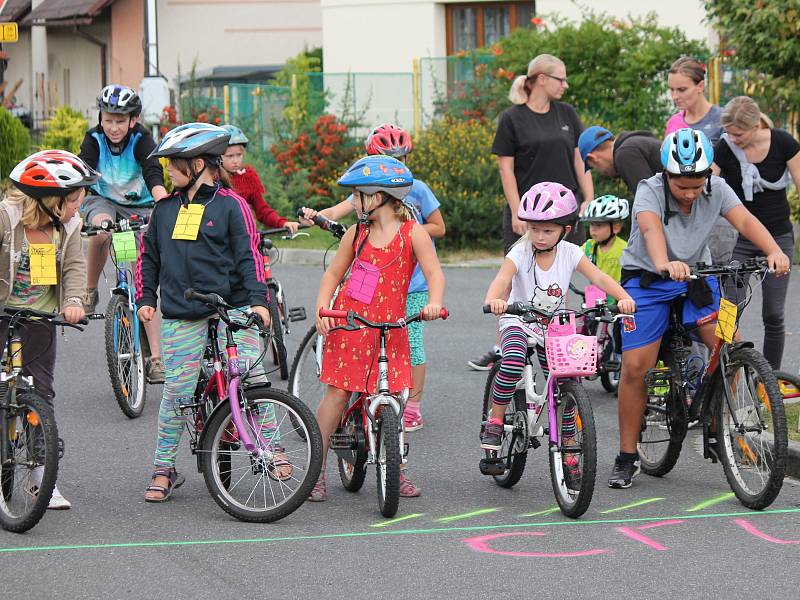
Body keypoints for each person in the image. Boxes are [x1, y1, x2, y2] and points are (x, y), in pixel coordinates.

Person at [610, 128, 790, 489]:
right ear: (667, 175)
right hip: (647, 281)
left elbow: (745, 220)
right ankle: (627, 456)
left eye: (697, 184)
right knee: (635, 367)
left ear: (708, 175)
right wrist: (664, 262)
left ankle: (719, 420)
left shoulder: (718, 189)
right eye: (682, 186)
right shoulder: (649, 189)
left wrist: (773, 250)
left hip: (699, 278)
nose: (690, 193)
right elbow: (650, 231)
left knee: (732, 344)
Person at [136, 123, 276, 503]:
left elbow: (251, 258)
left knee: (251, 375)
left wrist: (259, 301)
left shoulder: (233, 206)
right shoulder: (164, 210)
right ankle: (164, 467)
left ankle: (273, 447)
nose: (169, 172)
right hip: (183, 312)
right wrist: (146, 297)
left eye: (175, 165)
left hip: (232, 306)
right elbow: (148, 257)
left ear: (198, 164)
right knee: (177, 392)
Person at [307, 154, 445, 502]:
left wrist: (434, 302)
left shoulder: (413, 234)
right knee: (337, 395)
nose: (354, 202)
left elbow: (433, 273)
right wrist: (322, 307)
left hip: (390, 326)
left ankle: (395, 470)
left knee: (392, 400)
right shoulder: (357, 234)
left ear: (378, 196)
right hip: (352, 322)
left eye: (358, 195)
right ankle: (316, 471)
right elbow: (334, 274)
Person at [481, 182, 635, 491]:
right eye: (534, 229)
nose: (539, 236)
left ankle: (570, 451)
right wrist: (495, 299)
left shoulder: (571, 253)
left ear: (565, 229)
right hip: (518, 320)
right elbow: (502, 278)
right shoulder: (520, 251)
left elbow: (599, 277)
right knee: (511, 360)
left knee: (567, 382)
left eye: (547, 231)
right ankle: (495, 421)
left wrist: (623, 298)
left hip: (554, 325)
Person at [469, 53, 593, 371]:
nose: (565, 85)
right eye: (560, 79)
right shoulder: (513, 118)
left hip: (564, 211)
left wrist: (588, 199)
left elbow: (581, 160)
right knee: (515, 279)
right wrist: (516, 211)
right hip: (529, 213)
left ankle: (557, 341)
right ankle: (506, 346)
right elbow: (506, 169)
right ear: (540, 79)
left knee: (560, 275)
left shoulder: (567, 113)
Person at [5, 149, 99, 509]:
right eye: (75, 201)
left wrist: (74, 301)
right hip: (3, 313)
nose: (78, 209)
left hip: (40, 319)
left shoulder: (68, 227)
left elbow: (75, 268)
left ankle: (39, 477)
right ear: (52, 202)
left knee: (40, 394)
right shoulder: (6, 218)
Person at [79, 84, 168, 383]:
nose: (114, 127)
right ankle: (90, 289)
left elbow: (153, 172)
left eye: (120, 120)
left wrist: (163, 203)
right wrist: (69, 214)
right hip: (103, 201)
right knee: (101, 230)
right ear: (100, 118)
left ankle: (155, 357)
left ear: (133, 120)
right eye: (108, 119)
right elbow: (84, 176)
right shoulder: (93, 140)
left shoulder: (142, 140)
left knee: (142, 278)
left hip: (139, 209)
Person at [713, 96, 800, 370]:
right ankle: (722, 372)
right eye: (727, 132)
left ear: (754, 126)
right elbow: (708, 188)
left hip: (778, 237)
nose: (732, 138)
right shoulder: (724, 149)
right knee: (729, 309)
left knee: (773, 313)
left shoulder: (784, 143)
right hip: (739, 240)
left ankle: (769, 379)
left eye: (737, 133)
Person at [665, 56, 736, 265]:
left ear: (700, 86)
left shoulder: (722, 120)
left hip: (716, 216)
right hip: (681, 216)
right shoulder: (673, 123)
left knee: (718, 284)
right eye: (671, 90)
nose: (675, 96)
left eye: (681, 89)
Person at [220, 124, 300, 233]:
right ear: (217, 156)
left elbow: (262, 211)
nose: (235, 160)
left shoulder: (248, 177)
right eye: (230, 156)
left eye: (239, 155)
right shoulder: (211, 178)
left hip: (244, 235)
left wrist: (283, 223)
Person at [578, 126, 661, 195]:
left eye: (593, 167)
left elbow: (650, 201)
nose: (601, 172)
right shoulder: (635, 143)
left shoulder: (625, 154)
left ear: (592, 158)